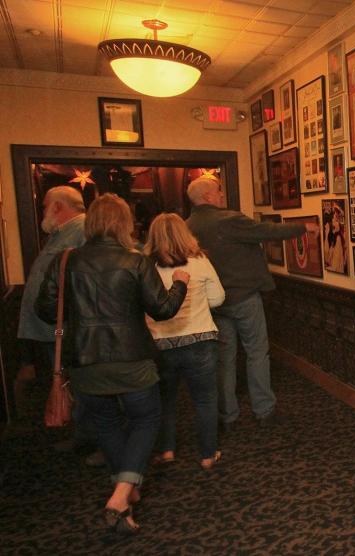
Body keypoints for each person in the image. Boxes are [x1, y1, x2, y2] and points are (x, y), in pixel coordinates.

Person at [36, 194, 188, 533]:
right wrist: (179, 284)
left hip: (85, 363)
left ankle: (125, 497)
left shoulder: (65, 261)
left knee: (106, 424)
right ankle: (122, 494)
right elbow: (162, 309)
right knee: (146, 418)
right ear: (123, 224)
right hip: (132, 360)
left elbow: (45, 311)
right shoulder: (135, 261)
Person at [186, 177, 311, 428]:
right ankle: (264, 410)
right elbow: (266, 231)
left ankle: (227, 414)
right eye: (219, 191)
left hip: (213, 302)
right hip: (244, 297)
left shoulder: (185, 227)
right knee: (256, 352)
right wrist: (303, 227)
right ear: (209, 196)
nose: (222, 195)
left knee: (225, 357)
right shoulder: (227, 220)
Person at [15, 186, 101, 462]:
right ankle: (85, 436)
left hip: (72, 328)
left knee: (87, 386)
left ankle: (99, 441)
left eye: (44, 207)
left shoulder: (83, 230)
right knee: (73, 385)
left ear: (58, 207)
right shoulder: (60, 235)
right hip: (56, 328)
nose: (42, 212)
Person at [143, 214, 224, 470]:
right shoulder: (199, 262)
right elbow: (218, 298)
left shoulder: (145, 266)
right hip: (199, 339)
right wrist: (197, 304)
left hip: (161, 343)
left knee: (165, 399)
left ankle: (167, 450)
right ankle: (208, 454)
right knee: (205, 399)